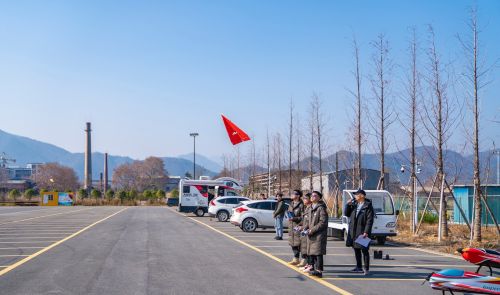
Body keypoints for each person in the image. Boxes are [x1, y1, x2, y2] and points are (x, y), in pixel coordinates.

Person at [344, 189, 374, 275]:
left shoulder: (368, 206)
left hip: (363, 232)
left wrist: (366, 232)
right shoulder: (354, 205)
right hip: (354, 231)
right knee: (356, 249)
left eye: (356, 195)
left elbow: (370, 221)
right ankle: (359, 267)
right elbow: (347, 214)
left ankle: (366, 269)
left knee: (364, 250)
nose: (355, 196)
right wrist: (347, 205)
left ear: (362, 196)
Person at [303, 191, 328, 278]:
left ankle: (319, 270)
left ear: (319, 198)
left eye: (315, 196)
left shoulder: (321, 208)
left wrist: (312, 230)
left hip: (319, 234)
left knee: (318, 252)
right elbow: (307, 221)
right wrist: (305, 228)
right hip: (311, 233)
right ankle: (313, 268)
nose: (312, 197)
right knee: (312, 252)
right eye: (312, 196)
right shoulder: (310, 208)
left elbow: (323, 222)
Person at [287, 190, 304, 266]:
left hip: (298, 226)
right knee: (293, 243)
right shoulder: (291, 204)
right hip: (291, 226)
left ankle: (304, 260)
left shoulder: (301, 205)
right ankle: (295, 259)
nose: (292, 194)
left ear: (298, 196)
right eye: (292, 193)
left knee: (300, 244)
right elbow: (289, 213)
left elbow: (304, 217)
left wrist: (294, 218)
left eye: (294, 194)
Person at [298, 193, 312, 270]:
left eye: (305, 198)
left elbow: (309, 222)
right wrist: (300, 226)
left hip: (308, 231)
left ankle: (310, 265)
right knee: (305, 248)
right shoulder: (306, 208)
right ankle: (308, 264)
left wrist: (303, 227)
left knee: (309, 249)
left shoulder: (311, 208)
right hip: (304, 231)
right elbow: (304, 220)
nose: (304, 200)